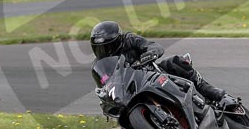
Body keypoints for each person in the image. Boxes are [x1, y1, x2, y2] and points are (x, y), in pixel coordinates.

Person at [89, 20, 227, 102]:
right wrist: (104, 93)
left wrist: (148, 55)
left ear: (117, 41)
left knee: (175, 62)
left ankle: (206, 89)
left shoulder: (129, 39)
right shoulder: (100, 66)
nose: (104, 51)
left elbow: (152, 46)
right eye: (99, 48)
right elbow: (104, 85)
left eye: (107, 46)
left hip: (152, 74)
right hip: (131, 91)